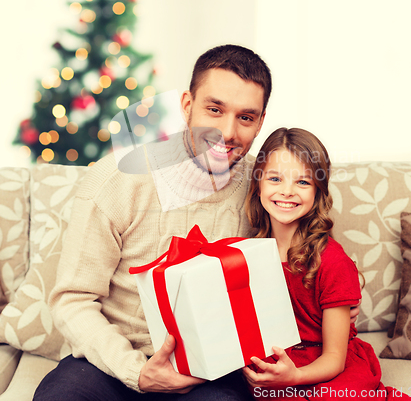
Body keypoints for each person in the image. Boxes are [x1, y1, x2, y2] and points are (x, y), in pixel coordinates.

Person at [33, 45, 359, 401]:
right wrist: (136, 372)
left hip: (212, 371)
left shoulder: (266, 185)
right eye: (214, 110)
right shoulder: (116, 180)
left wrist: (334, 304)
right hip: (112, 363)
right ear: (187, 105)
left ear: (261, 122)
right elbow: (72, 299)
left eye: (246, 118)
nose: (227, 132)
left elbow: (302, 250)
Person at [241, 127, 411, 401]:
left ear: (318, 191)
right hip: (283, 363)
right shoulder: (248, 254)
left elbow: (334, 357)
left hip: (331, 366)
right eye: (275, 178)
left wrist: (295, 377)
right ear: (258, 184)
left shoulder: (332, 261)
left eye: (303, 182)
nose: (287, 191)